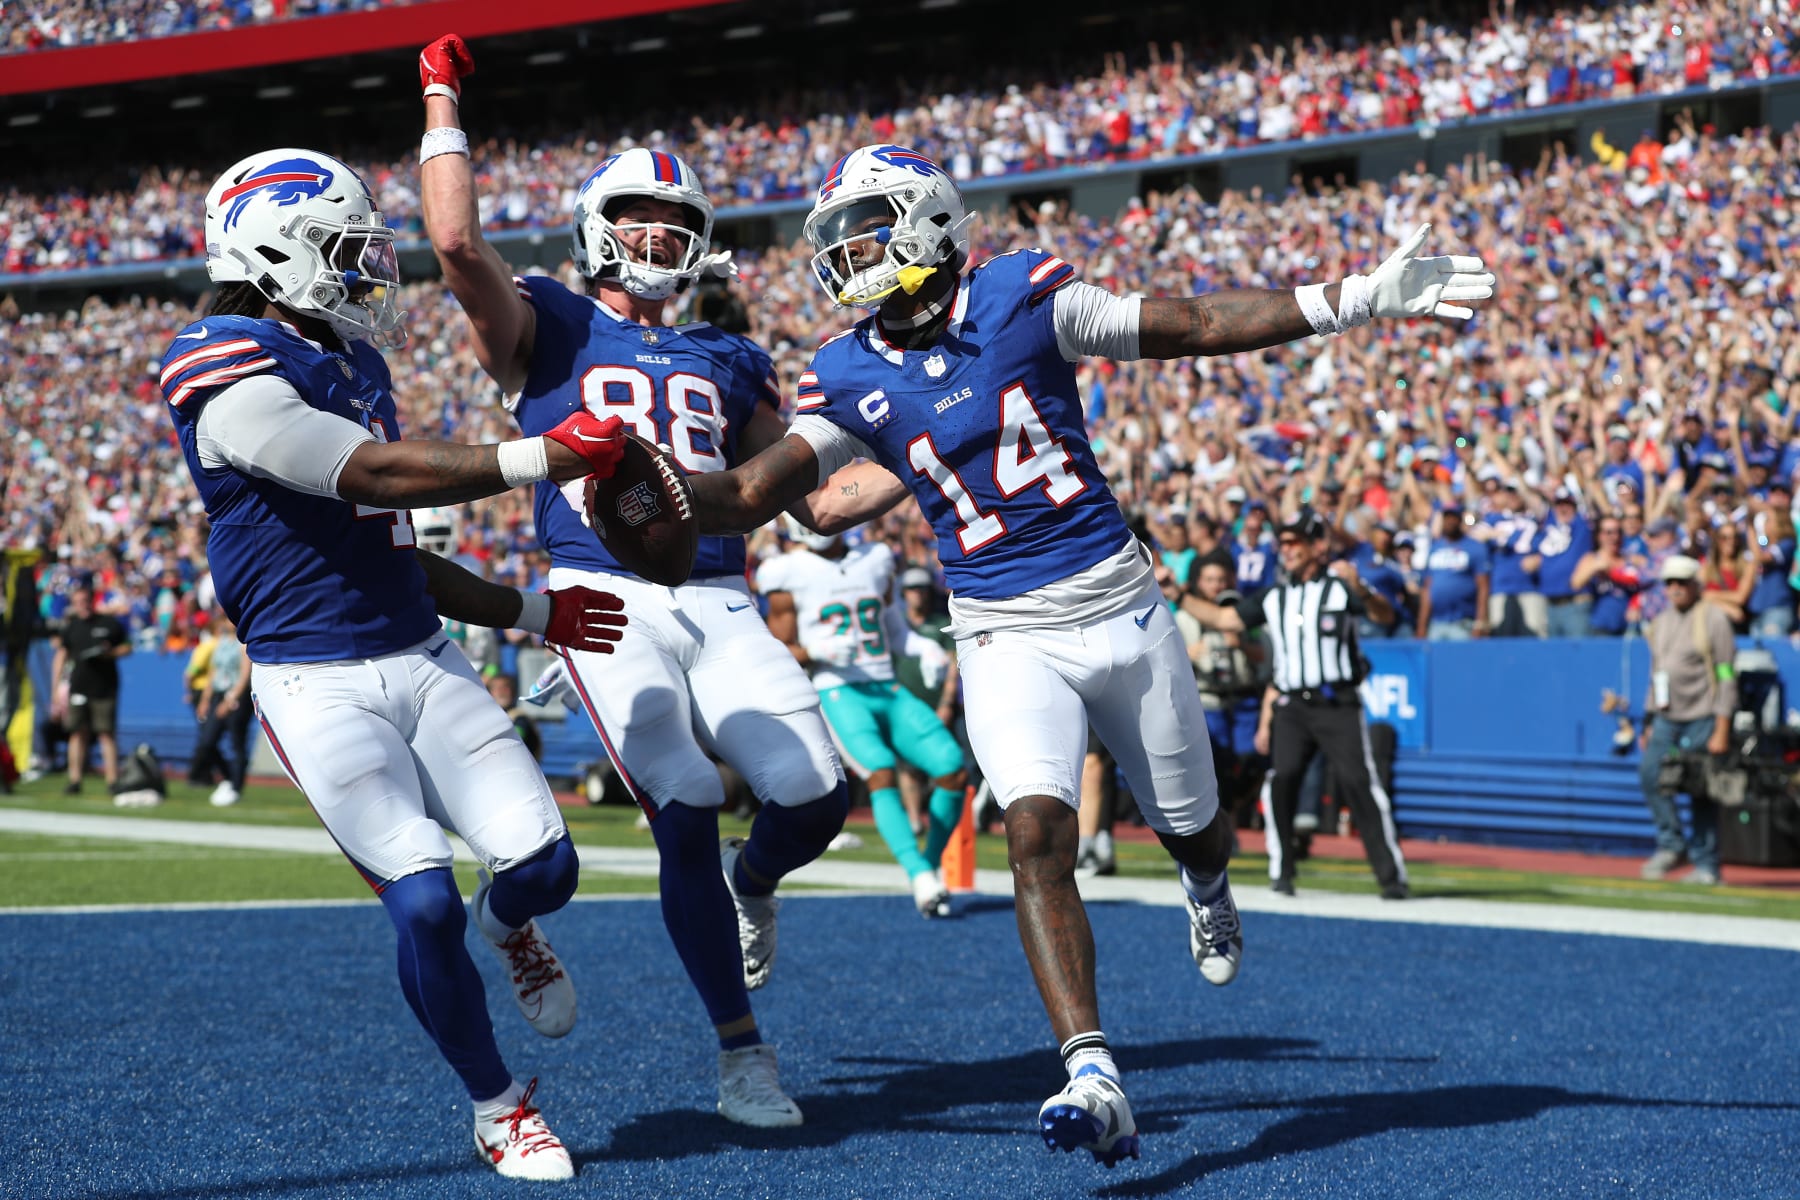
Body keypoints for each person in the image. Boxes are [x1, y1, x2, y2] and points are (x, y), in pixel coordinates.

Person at [676, 143, 1492, 1165]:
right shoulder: (843, 372)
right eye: (839, 238)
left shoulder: (1024, 294)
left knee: (1193, 827)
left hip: (1120, 603)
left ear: (926, 224)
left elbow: (1187, 324)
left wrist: (1358, 296)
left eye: (867, 229)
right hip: (1001, 628)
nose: (847, 255)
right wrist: (641, 480)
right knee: (1035, 832)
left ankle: (1209, 888)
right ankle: (1092, 1071)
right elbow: (768, 496)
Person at [164, 145, 633, 1181]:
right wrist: (542, 454)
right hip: (312, 678)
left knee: (546, 868)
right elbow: (365, 471)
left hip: (419, 656)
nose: (367, 274)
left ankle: (509, 928)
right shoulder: (222, 363)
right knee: (420, 901)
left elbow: (399, 548)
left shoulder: (352, 364)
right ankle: (499, 1105)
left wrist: (527, 609)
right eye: (343, 253)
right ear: (273, 252)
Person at [416, 34, 849, 1128]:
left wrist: (931, 448)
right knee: (686, 805)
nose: (659, 236)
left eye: (677, 223)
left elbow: (815, 501)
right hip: (602, 592)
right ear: (600, 228)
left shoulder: (732, 357)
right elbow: (460, 246)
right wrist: (442, 103)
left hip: (719, 593)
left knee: (819, 794)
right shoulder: (552, 320)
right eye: (640, 218)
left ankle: (756, 885)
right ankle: (738, 1051)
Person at [1185, 510, 1408, 898]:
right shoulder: (1275, 596)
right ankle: (1282, 871)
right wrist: (1177, 595)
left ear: (1316, 546)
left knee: (1359, 783)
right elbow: (1224, 618)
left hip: (1337, 702)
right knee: (1282, 780)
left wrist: (1363, 590)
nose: (1286, 551)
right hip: (1292, 705)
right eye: (1283, 544)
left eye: (1294, 543)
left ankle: (1391, 879)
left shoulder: (1341, 588)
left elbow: (1385, 616)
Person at [754, 521, 966, 917]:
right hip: (839, 690)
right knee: (881, 771)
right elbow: (776, 648)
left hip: (886, 686)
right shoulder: (784, 571)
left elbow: (895, 632)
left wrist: (926, 650)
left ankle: (930, 862)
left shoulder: (875, 558)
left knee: (953, 769)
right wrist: (815, 650)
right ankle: (919, 875)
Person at [1637, 555, 1736, 885]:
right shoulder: (1661, 622)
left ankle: (1707, 864)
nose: (1675, 589)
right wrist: (1648, 721)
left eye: (1681, 582)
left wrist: (1722, 725)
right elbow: (1657, 673)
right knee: (1650, 773)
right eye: (1669, 583)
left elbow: (1725, 673)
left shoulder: (1713, 619)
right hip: (1667, 716)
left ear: (1696, 584)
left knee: (1699, 790)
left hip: (1703, 715)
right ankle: (1671, 843)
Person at [49, 583, 128, 796]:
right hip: (78, 687)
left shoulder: (108, 623)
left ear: (92, 601)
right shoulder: (72, 627)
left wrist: (109, 654)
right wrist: (55, 690)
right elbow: (61, 658)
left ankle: (112, 780)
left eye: (85, 601)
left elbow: (127, 647)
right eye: (77, 602)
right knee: (76, 734)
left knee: (106, 734)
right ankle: (74, 779)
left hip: (104, 688)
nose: (82, 605)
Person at [190, 609, 252, 806]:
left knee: (237, 742)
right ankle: (226, 777)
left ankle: (236, 786)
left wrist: (231, 698)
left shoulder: (243, 644)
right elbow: (213, 673)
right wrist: (205, 700)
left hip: (237, 696)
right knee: (207, 741)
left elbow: (244, 674)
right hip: (218, 692)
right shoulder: (221, 643)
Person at [1416, 504, 1491, 640]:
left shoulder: (1474, 547)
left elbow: (1483, 586)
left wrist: (1481, 622)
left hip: (1463, 622)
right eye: (1447, 518)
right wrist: (1422, 625)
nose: (1450, 521)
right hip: (1436, 622)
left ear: (1460, 520)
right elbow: (1427, 588)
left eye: (1454, 518)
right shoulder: (1435, 548)